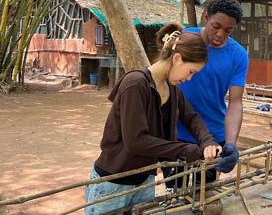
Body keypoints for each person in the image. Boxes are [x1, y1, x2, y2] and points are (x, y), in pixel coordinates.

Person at [85, 23, 221, 215]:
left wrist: (208, 142)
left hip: (144, 180)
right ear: (177, 58)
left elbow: (191, 118)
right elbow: (135, 141)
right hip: (114, 182)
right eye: (191, 72)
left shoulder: (171, 89)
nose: (189, 78)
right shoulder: (135, 84)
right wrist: (184, 149)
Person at [164, 0, 248, 192]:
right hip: (176, 133)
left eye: (228, 31)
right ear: (206, 18)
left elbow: (235, 103)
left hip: (212, 137)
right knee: (174, 195)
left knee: (205, 194)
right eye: (216, 26)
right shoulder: (183, 40)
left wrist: (230, 144)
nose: (220, 35)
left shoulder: (238, 55)